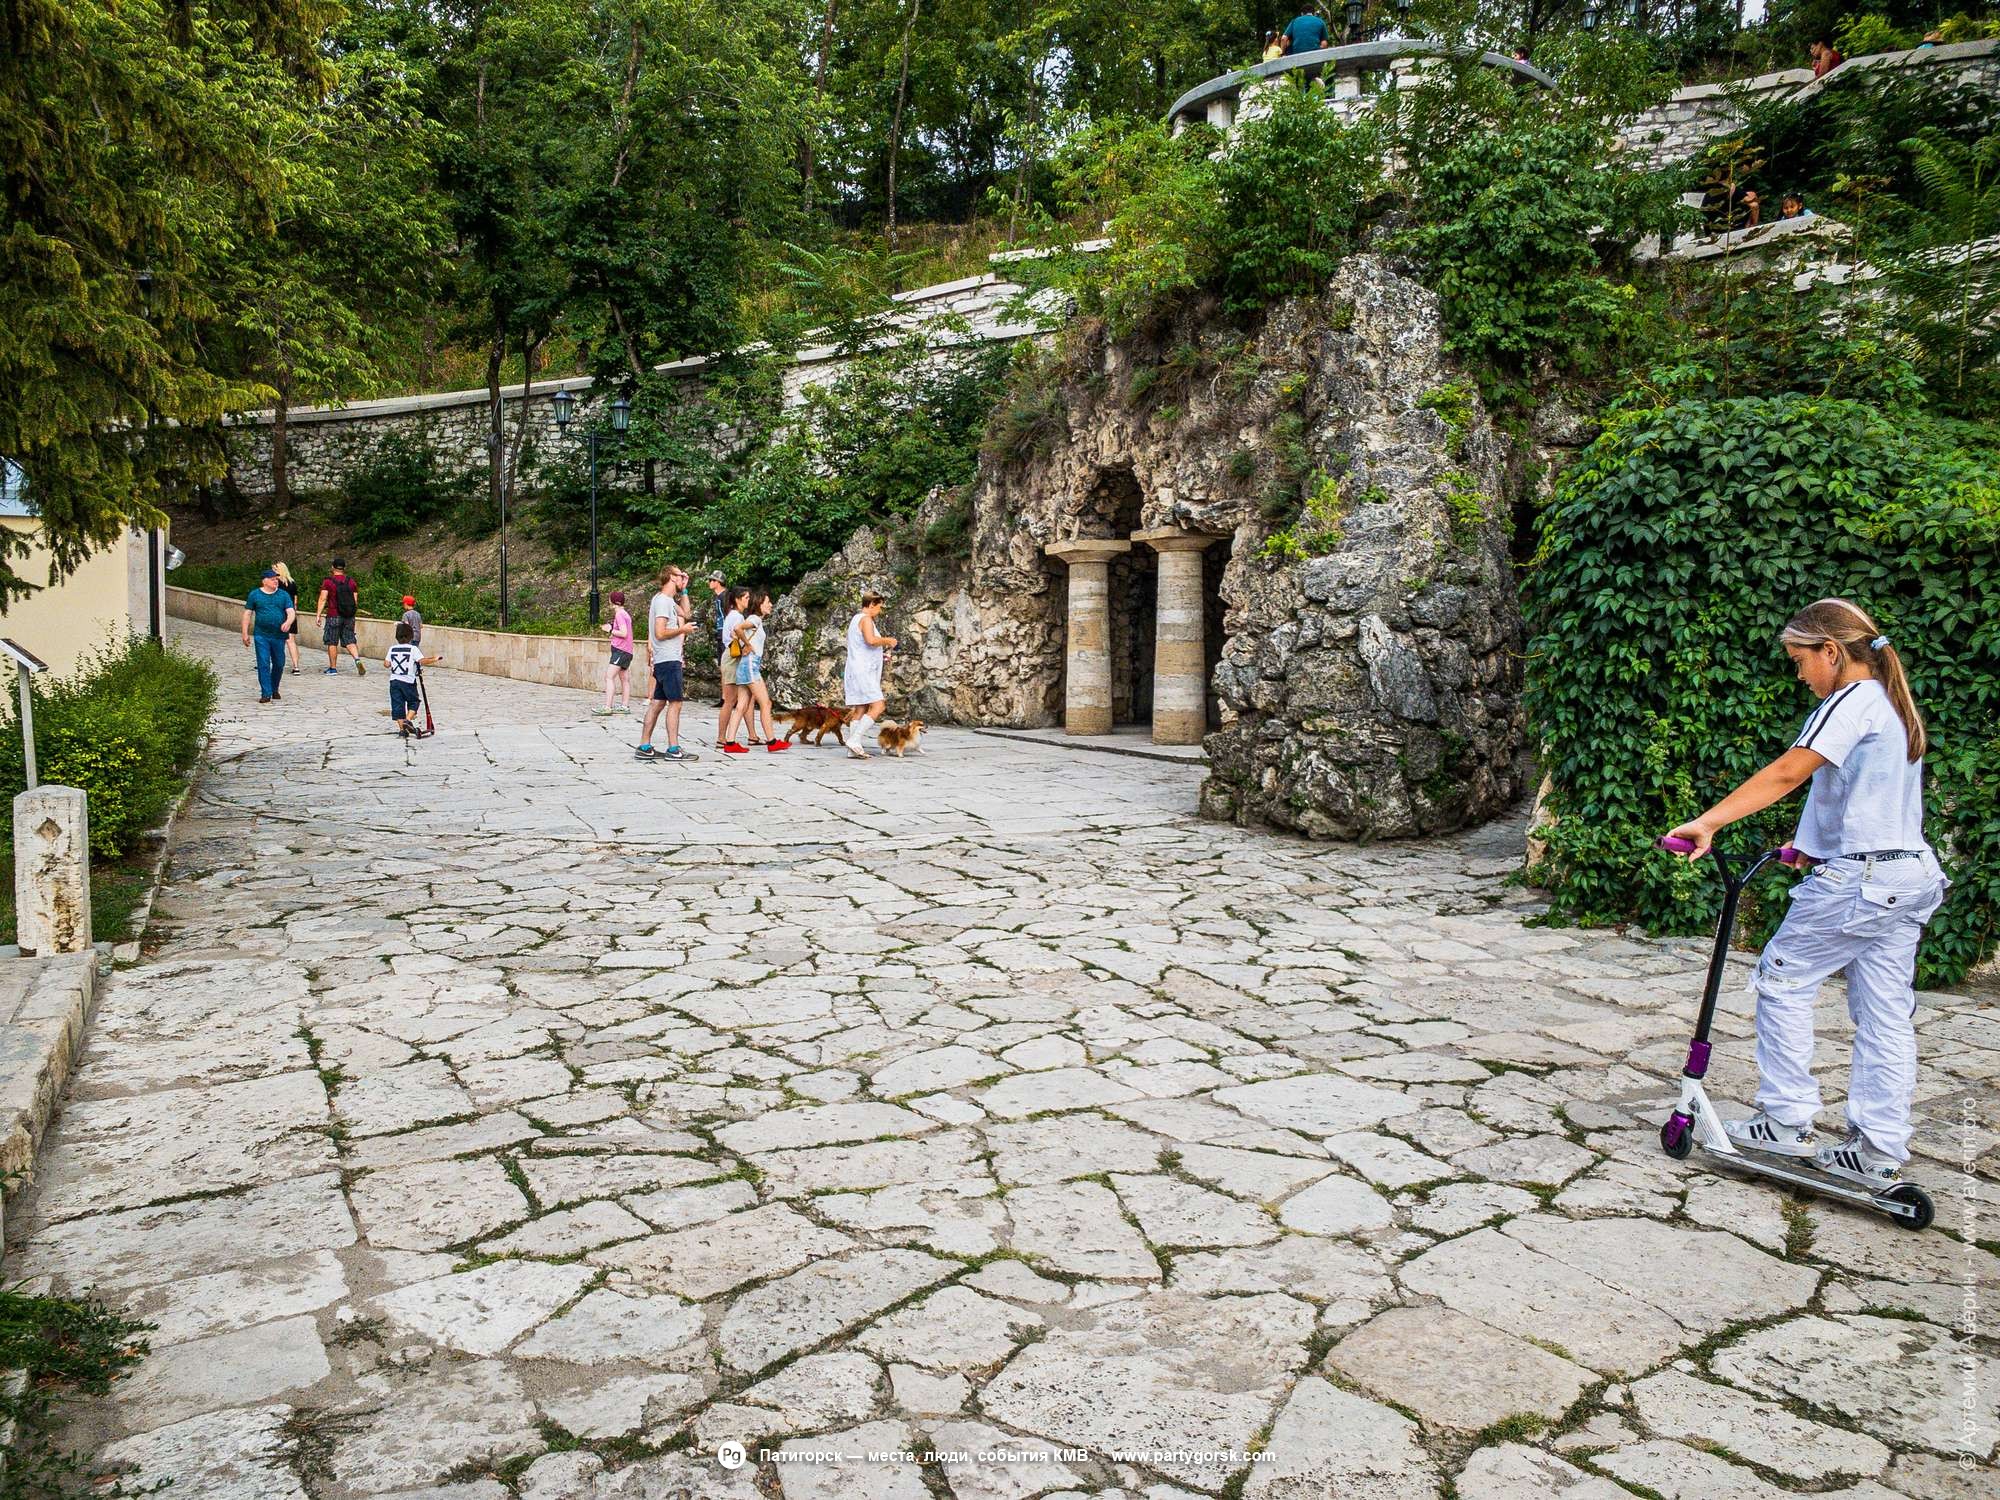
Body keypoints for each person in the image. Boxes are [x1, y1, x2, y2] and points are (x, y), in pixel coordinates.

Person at [1664, 598, 1949, 1189]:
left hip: (1865, 880)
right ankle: (1876, 1146)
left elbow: (1788, 771)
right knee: (1884, 1013)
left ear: (1831, 651)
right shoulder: (1891, 706)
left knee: (1783, 977)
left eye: (1800, 660)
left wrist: (1709, 822)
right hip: (1907, 875)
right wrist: (1812, 847)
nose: (1799, 674)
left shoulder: (1850, 699)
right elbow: (1868, 800)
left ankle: (1786, 1119)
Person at [636, 565, 697, 762]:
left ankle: (644, 746)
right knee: (676, 703)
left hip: (663, 660)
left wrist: (685, 589)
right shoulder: (663, 602)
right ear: (671, 577)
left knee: (658, 703)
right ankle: (673, 748)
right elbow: (660, 633)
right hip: (669, 660)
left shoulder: (666, 600)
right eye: (680, 575)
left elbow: (686, 614)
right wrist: (682, 631)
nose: (683, 577)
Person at [721, 591, 789, 754]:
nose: (770, 605)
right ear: (760, 604)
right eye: (768, 602)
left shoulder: (754, 620)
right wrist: (747, 645)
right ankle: (772, 741)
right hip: (751, 665)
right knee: (766, 703)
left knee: (742, 705)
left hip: (745, 665)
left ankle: (730, 743)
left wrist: (743, 644)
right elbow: (737, 629)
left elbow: (734, 632)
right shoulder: (755, 619)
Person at [841, 592, 898, 760]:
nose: (880, 611)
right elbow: (870, 640)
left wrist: (881, 655)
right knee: (878, 705)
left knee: (861, 708)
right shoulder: (865, 619)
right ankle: (854, 740)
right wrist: (889, 640)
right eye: (879, 607)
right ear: (871, 604)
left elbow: (863, 646)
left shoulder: (855, 619)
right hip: (863, 670)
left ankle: (852, 749)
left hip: (856, 668)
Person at [241, 568, 295, 704]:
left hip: (279, 635)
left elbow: (291, 611)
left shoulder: (283, 595)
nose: (275, 581)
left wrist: (288, 622)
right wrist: (245, 633)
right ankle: (266, 692)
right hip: (261, 635)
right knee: (263, 663)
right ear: (264, 581)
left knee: (279, 663)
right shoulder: (255, 595)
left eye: (276, 579)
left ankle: (274, 687)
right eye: (272, 579)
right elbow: (247, 614)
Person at [385, 622, 441, 737]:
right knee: (414, 702)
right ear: (411, 636)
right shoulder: (413, 649)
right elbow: (422, 661)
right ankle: (408, 720)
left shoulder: (392, 649)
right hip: (408, 681)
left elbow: (386, 664)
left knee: (397, 705)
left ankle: (402, 730)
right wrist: (434, 659)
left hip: (394, 681)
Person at [316, 559, 365, 676]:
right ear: (344, 568)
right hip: (349, 616)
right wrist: (351, 613)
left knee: (332, 642)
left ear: (333, 567)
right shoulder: (351, 582)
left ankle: (333, 668)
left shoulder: (328, 582)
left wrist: (318, 614)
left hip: (334, 615)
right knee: (350, 640)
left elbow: (323, 599)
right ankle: (357, 659)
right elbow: (355, 601)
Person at [715, 584, 749, 749]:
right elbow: (735, 634)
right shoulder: (737, 617)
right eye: (746, 597)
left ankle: (725, 735)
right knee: (729, 700)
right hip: (732, 657)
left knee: (733, 699)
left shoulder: (733, 615)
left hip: (730, 656)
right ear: (738, 599)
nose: (748, 600)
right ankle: (722, 736)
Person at [706, 571, 735, 743]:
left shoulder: (724, 597)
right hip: (720, 634)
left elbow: (727, 616)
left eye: (711, 580)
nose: (709, 582)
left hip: (724, 635)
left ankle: (726, 698)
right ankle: (724, 697)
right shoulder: (719, 597)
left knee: (725, 666)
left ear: (718, 582)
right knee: (722, 667)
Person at [601, 589, 635, 715]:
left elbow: (624, 633)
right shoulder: (625, 613)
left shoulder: (620, 614)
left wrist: (610, 630)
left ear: (612, 601)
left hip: (620, 651)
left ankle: (607, 707)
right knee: (624, 679)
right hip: (627, 651)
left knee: (609, 677)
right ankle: (624, 706)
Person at [273, 562, 303, 675]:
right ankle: (296, 666)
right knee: (291, 641)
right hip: (291, 613)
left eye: (274, 568)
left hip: (279, 613)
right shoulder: (292, 582)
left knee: (275, 639)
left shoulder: (275, 583)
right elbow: (295, 600)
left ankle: (274, 663)